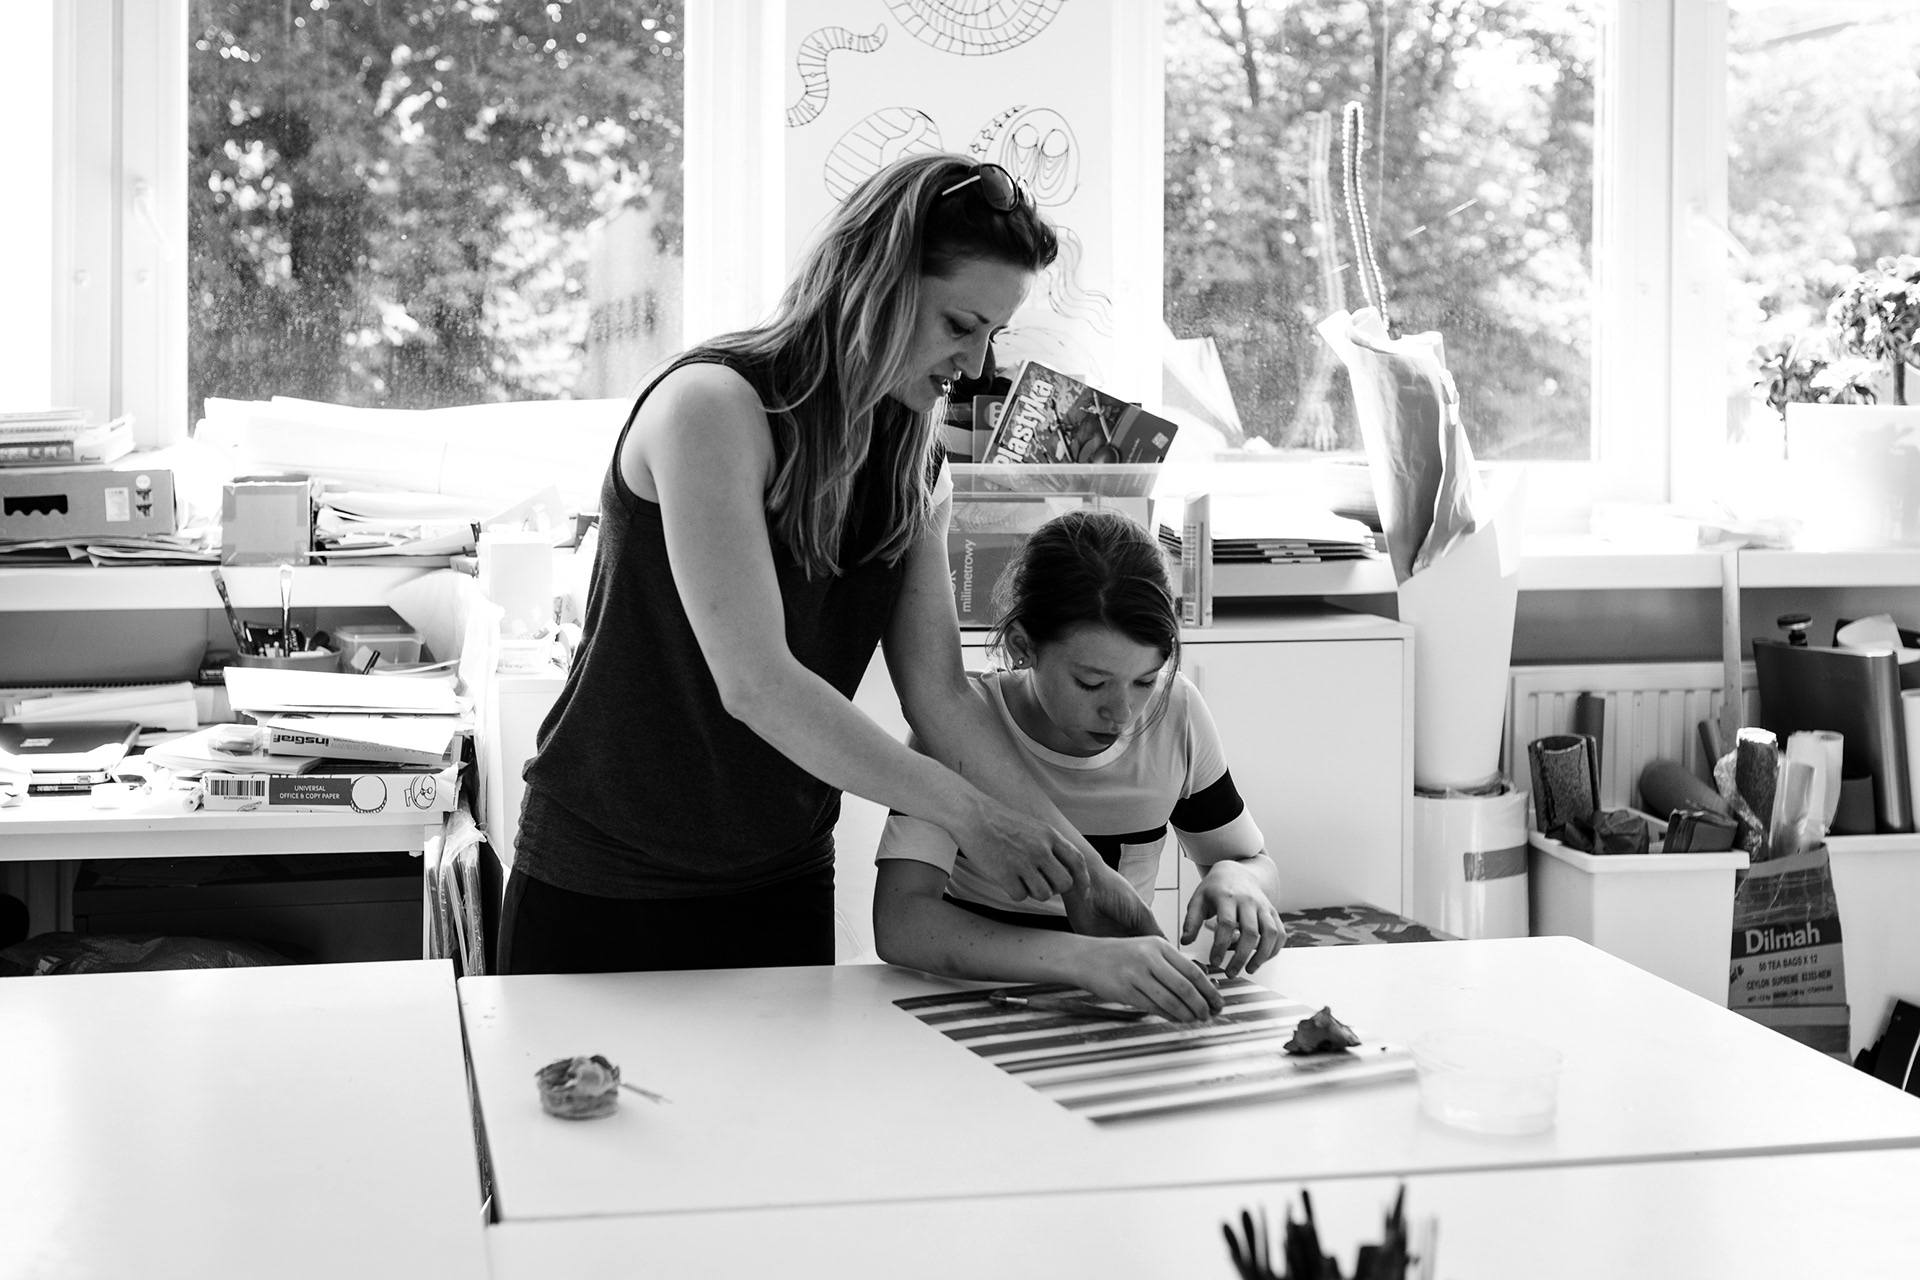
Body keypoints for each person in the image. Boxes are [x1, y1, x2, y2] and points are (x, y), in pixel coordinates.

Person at [501, 153, 1214, 1015]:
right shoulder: (712, 408)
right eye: (960, 324)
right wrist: (970, 816)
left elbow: (941, 698)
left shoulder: (915, 462)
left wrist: (1087, 875)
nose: (976, 363)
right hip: (604, 876)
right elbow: (756, 684)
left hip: (779, 874)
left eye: (993, 333)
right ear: (876, 284)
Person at [873, 510, 1286, 1021]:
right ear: (1023, 646)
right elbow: (901, 923)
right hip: (970, 1003)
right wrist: (1084, 960)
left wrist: (1238, 880)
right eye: (1091, 683)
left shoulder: (1177, 713)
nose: (1123, 713)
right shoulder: (957, 725)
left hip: (1118, 1011)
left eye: (1145, 680)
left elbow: (1253, 861)